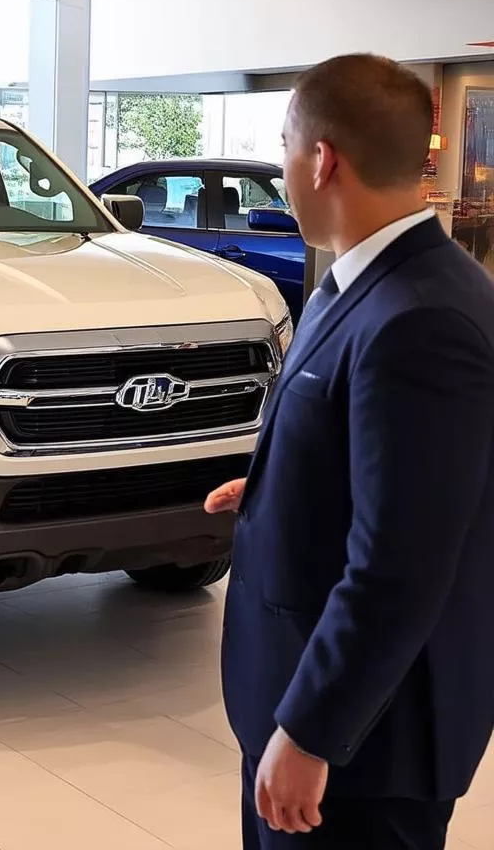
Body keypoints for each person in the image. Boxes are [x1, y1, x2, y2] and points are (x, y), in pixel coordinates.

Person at [205, 53, 494, 849]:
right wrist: (279, 486)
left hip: (366, 745)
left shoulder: (420, 317)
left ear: (321, 159)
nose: (284, 172)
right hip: (310, 698)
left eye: (285, 148)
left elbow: (402, 563)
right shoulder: (361, 285)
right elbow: (399, 478)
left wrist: (312, 732)